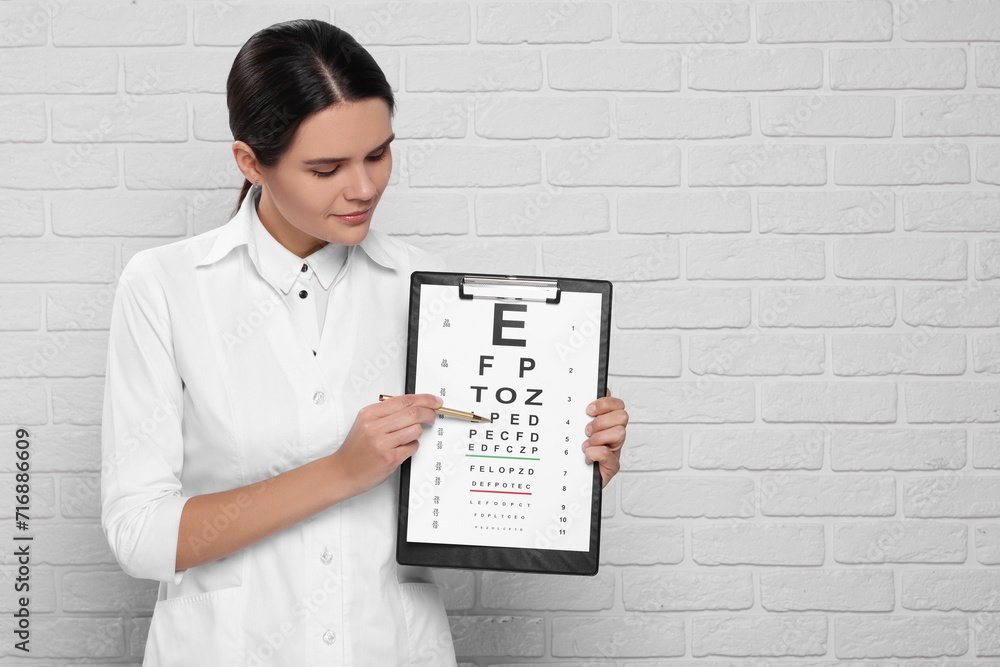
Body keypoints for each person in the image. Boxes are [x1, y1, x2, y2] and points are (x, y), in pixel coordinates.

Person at [100, 18, 629, 667]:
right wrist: (340, 472)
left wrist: (566, 463)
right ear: (249, 161)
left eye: (377, 153)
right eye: (326, 168)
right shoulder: (164, 287)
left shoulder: (432, 294)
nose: (364, 188)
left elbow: (477, 492)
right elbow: (139, 534)